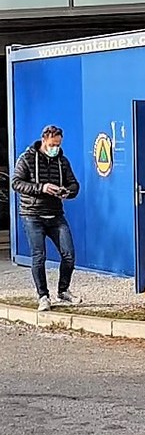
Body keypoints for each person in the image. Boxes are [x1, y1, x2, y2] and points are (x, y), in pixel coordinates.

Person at [10, 124, 81, 311]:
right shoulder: (26, 158)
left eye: (58, 144)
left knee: (69, 255)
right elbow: (16, 183)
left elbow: (74, 184)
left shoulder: (62, 161)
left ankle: (63, 290)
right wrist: (41, 187)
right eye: (52, 144)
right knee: (39, 256)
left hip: (56, 214)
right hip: (32, 215)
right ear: (44, 140)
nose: (55, 147)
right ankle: (43, 296)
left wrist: (67, 192)